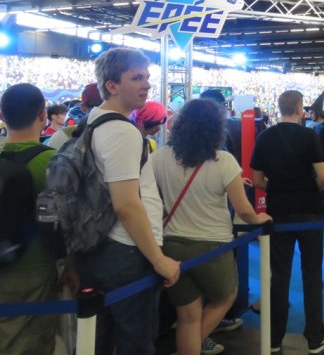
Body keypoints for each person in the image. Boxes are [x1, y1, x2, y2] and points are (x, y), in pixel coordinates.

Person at [74, 48, 180, 355]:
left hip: (96, 244)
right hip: (126, 250)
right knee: (136, 341)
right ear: (112, 85)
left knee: (99, 339)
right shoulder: (122, 131)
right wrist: (158, 260)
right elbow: (127, 204)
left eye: (146, 77)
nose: (146, 84)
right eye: (136, 78)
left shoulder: (91, 123)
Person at [153, 99, 271, 355]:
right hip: (212, 246)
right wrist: (259, 218)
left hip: (171, 245)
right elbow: (243, 209)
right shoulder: (223, 160)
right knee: (225, 297)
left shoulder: (159, 157)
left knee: (187, 316)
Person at [251, 90, 324, 354]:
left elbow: (257, 180)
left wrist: (279, 189)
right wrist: (308, 190)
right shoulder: (309, 136)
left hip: (278, 213)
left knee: (279, 275)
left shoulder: (265, 137)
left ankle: (274, 339)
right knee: (312, 274)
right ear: (299, 108)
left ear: (279, 108)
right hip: (309, 212)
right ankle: (315, 337)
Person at [0, 84, 69, 355]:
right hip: (35, 266)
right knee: (32, 339)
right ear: (43, 116)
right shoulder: (53, 161)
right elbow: (68, 218)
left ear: (2, 116)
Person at [47, 83, 103, 149]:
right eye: (64, 114)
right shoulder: (62, 135)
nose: (66, 117)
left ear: (82, 107)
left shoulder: (63, 136)